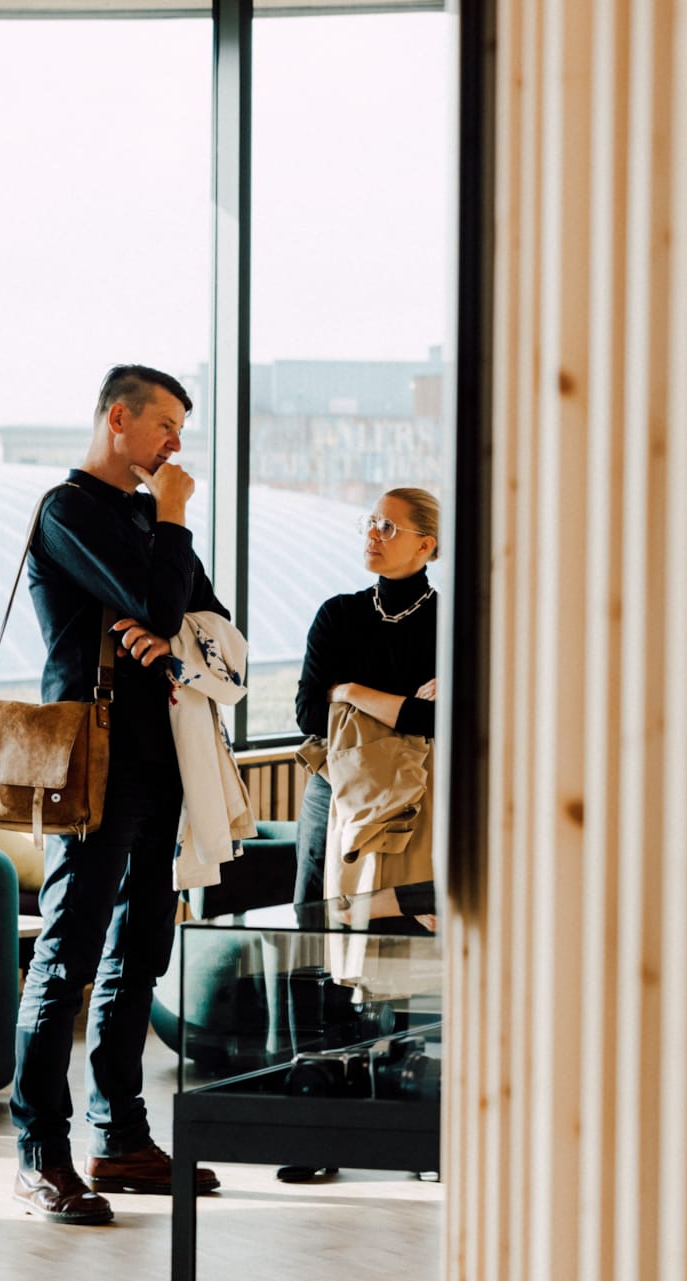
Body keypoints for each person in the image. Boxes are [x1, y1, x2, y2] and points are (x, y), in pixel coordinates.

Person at [11, 365, 223, 1226]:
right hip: (90, 759)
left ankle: (119, 1135)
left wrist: (160, 604)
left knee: (138, 951)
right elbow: (157, 603)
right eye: (166, 425)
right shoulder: (68, 511)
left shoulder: (142, 515)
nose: (177, 444)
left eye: (180, 428)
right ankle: (40, 1151)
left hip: (158, 756)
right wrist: (169, 529)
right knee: (68, 952)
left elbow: (200, 615)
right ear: (118, 417)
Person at [279, 486, 439, 1182]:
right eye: (369, 522)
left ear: (427, 545)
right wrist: (397, 704)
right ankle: (314, 1119)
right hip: (335, 792)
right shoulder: (339, 613)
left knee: (405, 932)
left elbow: (449, 719)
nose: (372, 533)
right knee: (317, 929)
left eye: (389, 525)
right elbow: (309, 709)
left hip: (420, 794)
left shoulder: (453, 620)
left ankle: (406, 1114)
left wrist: (357, 694)